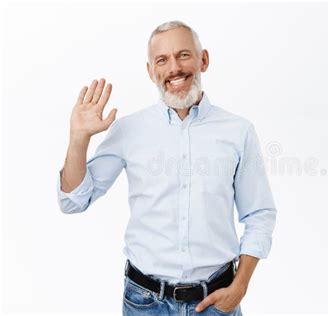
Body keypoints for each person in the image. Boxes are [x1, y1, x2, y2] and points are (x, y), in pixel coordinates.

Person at [56, 20, 277, 315]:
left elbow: (259, 214)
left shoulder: (238, 131)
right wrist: (78, 140)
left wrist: (240, 286)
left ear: (204, 60)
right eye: (162, 60)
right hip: (144, 303)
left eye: (183, 55)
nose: (174, 68)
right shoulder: (128, 130)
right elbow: (74, 201)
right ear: (151, 71)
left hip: (216, 302)